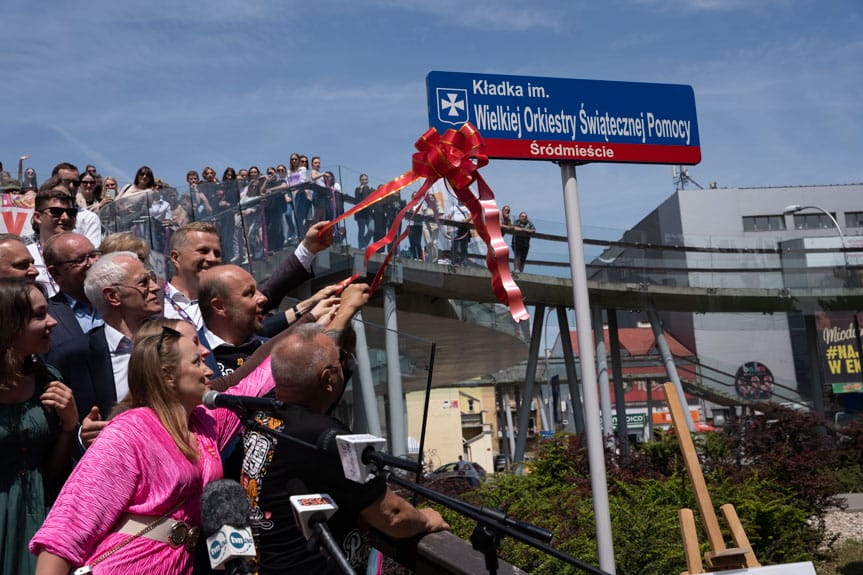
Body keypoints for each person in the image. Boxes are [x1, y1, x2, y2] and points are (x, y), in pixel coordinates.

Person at [30, 312, 280, 574]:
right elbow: (64, 532)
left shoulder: (205, 423)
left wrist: (309, 328)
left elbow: (254, 384)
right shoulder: (128, 432)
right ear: (168, 375)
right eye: (195, 360)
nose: (207, 364)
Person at [242, 321, 449, 573]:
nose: (343, 366)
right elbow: (393, 515)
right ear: (328, 378)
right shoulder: (326, 439)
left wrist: (345, 355)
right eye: (340, 362)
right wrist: (426, 520)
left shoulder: (261, 417)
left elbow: (312, 404)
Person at [0, 278, 78, 575]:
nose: (53, 322)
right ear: (8, 323)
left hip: (40, 520)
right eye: (38, 315)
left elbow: (50, 470)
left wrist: (70, 424)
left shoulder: (49, 379)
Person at [27, 179, 80, 296]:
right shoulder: (25, 256)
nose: (65, 217)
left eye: (71, 212)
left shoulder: (85, 256)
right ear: (37, 217)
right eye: (56, 212)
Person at [354, 173, 374, 248]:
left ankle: (364, 242)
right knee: (361, 230)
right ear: (360, 181)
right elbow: (357, 200)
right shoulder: (357, 189)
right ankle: (361, 246)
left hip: (369, 213)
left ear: (367, 180)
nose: (364, 181)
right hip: (361, 213)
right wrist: (361, 190)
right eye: (362, 179)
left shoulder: (371, 189)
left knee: (371, 229)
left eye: (365, 179)